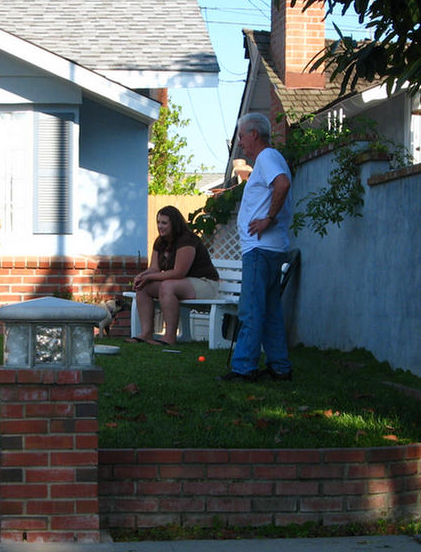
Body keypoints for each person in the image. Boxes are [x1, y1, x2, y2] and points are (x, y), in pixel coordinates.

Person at [219, 113, 294, 382]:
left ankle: (244, 368)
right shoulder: (268, 160)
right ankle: (279, 367)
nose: (240, 144)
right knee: (271, 311)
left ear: (253, 134)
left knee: (251, 310)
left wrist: (268, 219)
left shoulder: (266, 157)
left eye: (241, 137)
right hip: (270, 249)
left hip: (260, 250)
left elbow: (282, 184)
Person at [125, 205, 219, 346]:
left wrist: (149, 277)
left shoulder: (186, 240)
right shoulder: (160, 242)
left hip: (205, 283)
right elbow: (154, 268)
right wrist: (142, 276)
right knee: (143, 287)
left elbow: (179, 272)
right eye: (158, 222)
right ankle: (146, 333)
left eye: (164, 223)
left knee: (167, 286)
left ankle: (169, 337)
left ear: (174, 223)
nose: (160, 226)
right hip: (183, 283)